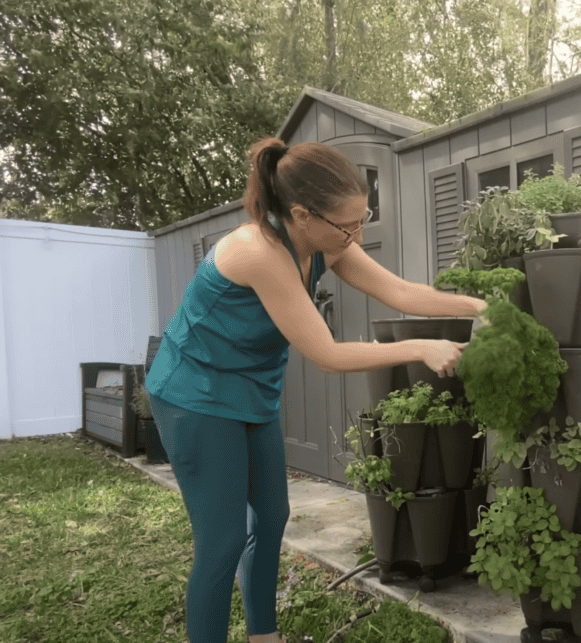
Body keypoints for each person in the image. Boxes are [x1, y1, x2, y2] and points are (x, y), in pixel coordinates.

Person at [145, 137, 486, 643]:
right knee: (221, 541)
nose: (356, 234)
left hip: (251, 392)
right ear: (301, 215)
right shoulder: (258, 251)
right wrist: (419, 347)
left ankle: (264, 636)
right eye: (347, 224)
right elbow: (326, 354)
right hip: (194, 394)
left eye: (362, 218)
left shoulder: (328, 245)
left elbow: (403, 291)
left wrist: (482, 308)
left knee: (274, 515)